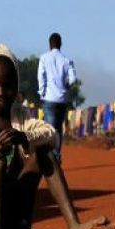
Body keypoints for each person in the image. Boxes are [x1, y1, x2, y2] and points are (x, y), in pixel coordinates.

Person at [0, 44, 107, 229]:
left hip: (13, 211)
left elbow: (50, 134)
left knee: (45, 154)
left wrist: (24, 137)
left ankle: (74, 225)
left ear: (16, 88)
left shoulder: (21, 116)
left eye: (8, 86)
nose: (1, 92)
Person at [38, 32, 76, 161]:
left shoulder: (44, 58)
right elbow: (73, 79)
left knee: (50, 129)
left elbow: (41, 77)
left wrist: (42, 92)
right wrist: (66, 86)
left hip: (49, 98)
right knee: (58, 129)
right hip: (62, 99)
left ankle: (50, 159)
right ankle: (57, 156)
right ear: (60, 44)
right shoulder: (67, 60)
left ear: (49, 45)